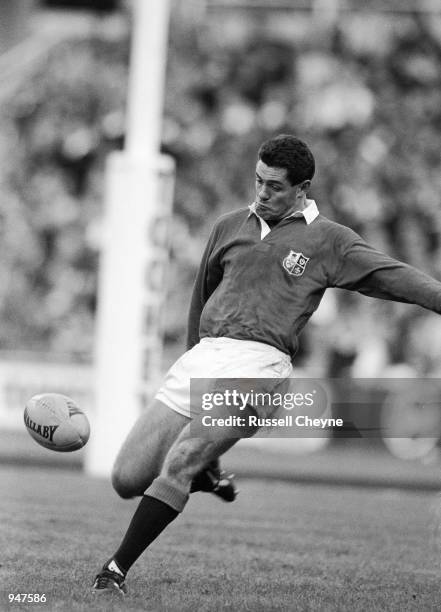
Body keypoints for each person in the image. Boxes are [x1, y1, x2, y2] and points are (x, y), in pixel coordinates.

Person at [92, 134, 441, 595]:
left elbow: (391, 276)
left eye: (274, 186)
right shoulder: (229, 226)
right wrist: (192, 355)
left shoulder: (329, 240)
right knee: (126, 478)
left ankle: (113, 572)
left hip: (260, 366)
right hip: (204, 356)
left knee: (176, 461)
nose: (261, 193)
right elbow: (202, 298)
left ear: (303, 188)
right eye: (258, 181)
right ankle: (205, 473)